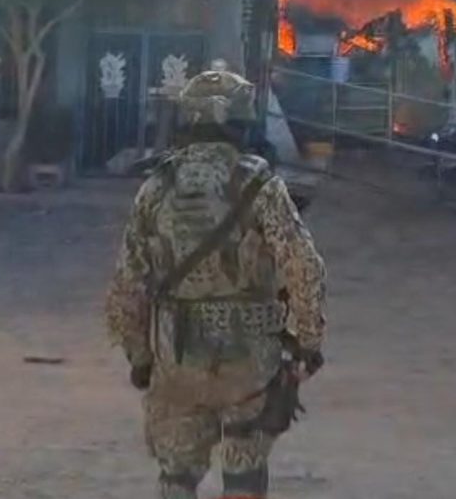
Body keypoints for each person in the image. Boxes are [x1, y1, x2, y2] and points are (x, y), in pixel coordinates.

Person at [106, 66, 326, 499]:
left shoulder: (155, 186)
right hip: (250, 355)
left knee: (177, 474)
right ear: (242, 122)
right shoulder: (260, 183)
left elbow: (126, 284)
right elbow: (305, 266)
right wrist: (308, 341)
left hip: (175, 351)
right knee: (244, 467)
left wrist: (139, 356)